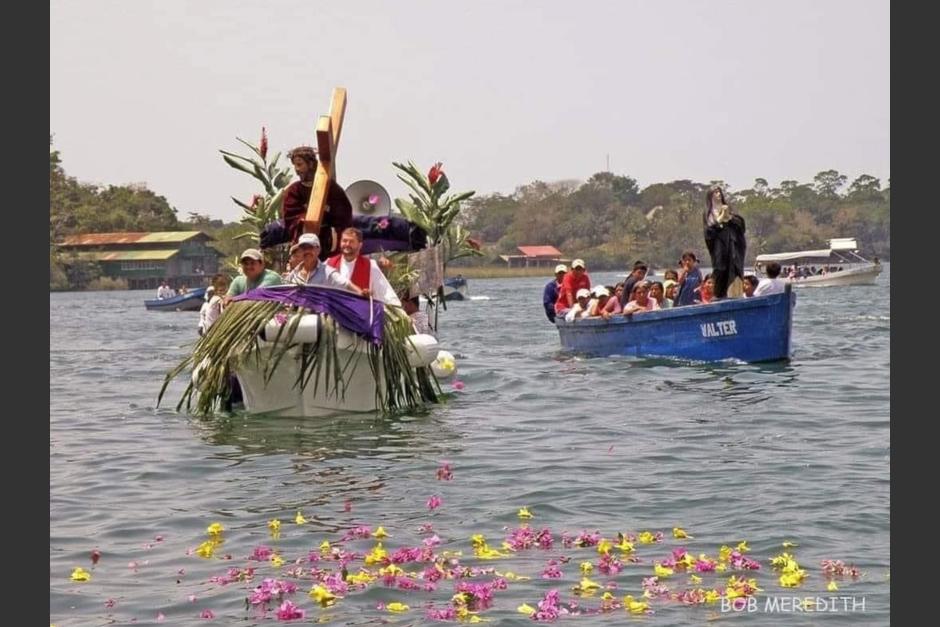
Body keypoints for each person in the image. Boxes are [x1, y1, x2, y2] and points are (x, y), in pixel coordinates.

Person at [281, 146, 354, 258]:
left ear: (310, 164)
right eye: (295, 165)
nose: (297, 169)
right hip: (305, 245)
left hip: (329, 245)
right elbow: (290, 217)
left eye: (300, 164)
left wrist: (329, 224)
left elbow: (344, 214)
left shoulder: (331, 188)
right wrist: (307, 220)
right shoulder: (294, 191)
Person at [326, 227, 401, 306]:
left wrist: (398, 311)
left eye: (351, 241)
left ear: (360, 245)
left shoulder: (370, 266)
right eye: (344, 241)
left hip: (357, 314)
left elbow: (385, 292)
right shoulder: (328, 263)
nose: (347, 244)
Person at [285, 233, 366, 293]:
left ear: (318, 250)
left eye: (310, 247)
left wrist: (361, 293)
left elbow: (347, 285)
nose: (307, 251)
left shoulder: (328, 272)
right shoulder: (294, 274)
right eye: (303, 248)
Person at [703, 186, 746, 299]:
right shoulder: (709, 213)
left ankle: (734, 295)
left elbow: (740, 225)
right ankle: (718, 294)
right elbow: (709, 231)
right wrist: (720, 218)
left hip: (732, 244)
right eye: (715, 192)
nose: (718, 194)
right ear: (710, 195)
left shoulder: (728, 209)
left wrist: (730, 218)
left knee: (734, 267)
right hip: (719, 245)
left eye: (719, 192)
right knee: (720, 268)